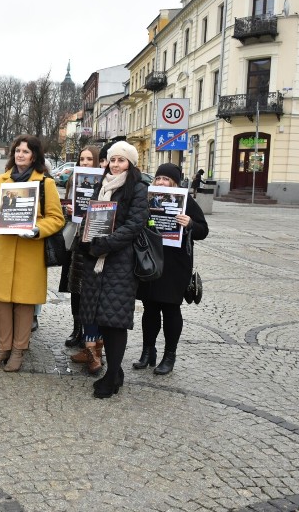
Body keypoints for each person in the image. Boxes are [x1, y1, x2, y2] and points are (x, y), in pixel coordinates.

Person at [0, 135, 64, 372]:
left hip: (30, 252)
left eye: (26, 152)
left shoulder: (45, 183)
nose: (20, 155)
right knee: (1, 303)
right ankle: (2, 348)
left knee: (24, 305)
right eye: (17, 150)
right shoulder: (2, 180)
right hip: (5, 250)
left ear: (34, 156)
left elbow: (56, 219)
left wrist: (38, 229)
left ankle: (18, 350)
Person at [76, 140, 148, 398]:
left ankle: (112, 375)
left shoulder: (138, 188)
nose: (115, 165)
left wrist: (105, 244)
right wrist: (86, 242)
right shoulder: (102, 185)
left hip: (120, 263)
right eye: (112, 160)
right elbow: (90, 217)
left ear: (130, 162)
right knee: (100, 317)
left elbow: (135, 224)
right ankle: (116, 372)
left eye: (121, 160)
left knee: (115, 321)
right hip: (96, 263)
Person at [135, 163, 209, 375]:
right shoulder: (148, 198)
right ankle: (148, 352)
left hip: (176, 263)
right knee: (149, 308)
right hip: (151, 258)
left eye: (166, 179)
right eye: (158, 178)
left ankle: (170, 355)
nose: (161, 182)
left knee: (170, 309)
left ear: (175, 183)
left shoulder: (186, 200)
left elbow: (203, 230)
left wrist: (191, 224)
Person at [59, 146, 101, 358]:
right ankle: (77, 329)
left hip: (92, 240)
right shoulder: (73, 180)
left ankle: (89, 333)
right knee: (74, 287)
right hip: (74, 237)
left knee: (89, 289)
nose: (85, 163)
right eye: (82, 159)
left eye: (89, 159)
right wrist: (68, 210)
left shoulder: (102, 182)